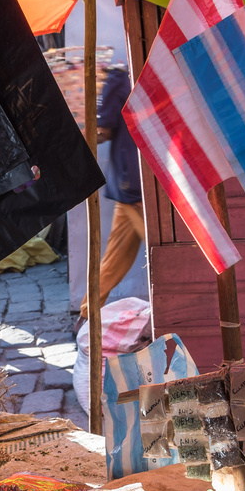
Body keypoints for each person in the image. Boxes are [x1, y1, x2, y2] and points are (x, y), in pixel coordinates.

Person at [83, 65, 143, 318]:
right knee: (159, 250)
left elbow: (103, 130)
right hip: (137, 187)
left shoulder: (120, 78)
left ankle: (86, 314)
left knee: (115, 258)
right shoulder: (128, 76)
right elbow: (104, 129)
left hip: (132, 183)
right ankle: (86, 315)